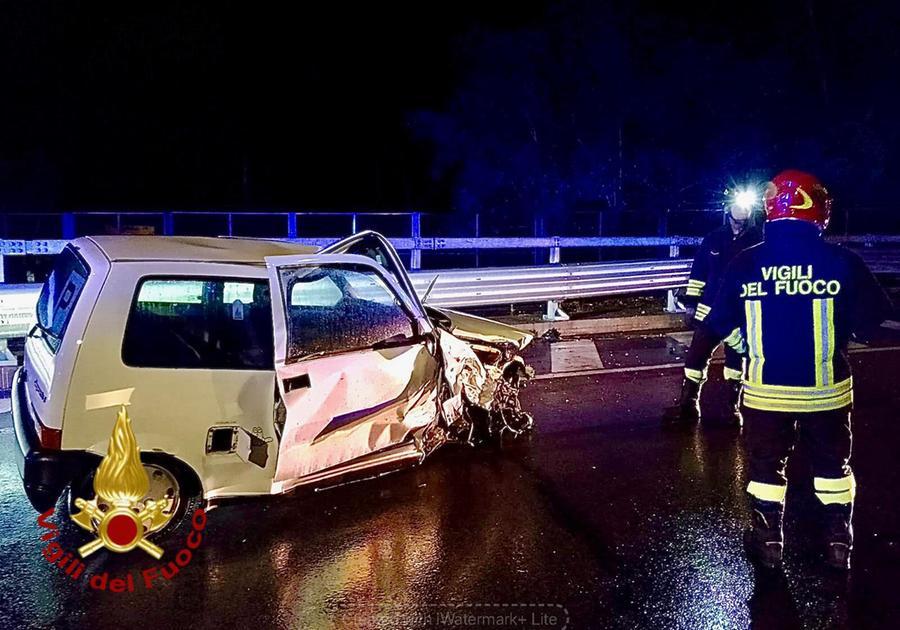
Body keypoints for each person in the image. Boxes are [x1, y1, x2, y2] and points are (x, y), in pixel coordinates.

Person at [680, 170, 892, 570]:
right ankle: (837, 541)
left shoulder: (746, 262)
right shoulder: (843, 261)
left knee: (765, 469)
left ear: (769, 208)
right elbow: (872, 326)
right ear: (821, 211)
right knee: (832, 468)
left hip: (765, 393)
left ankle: (769, 540)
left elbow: (714, 323)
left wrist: (734, 354)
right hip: (827, 393)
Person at [667, 190, 763, 426]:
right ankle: (689, 405)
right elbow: (698, 274)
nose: (741, 215)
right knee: (695, 358)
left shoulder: (758, 240)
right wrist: (690, 304)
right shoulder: (713, 239)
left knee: (736, 362)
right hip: (708, 313)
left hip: (739, 315)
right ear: (728, 211)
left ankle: (731, 408)